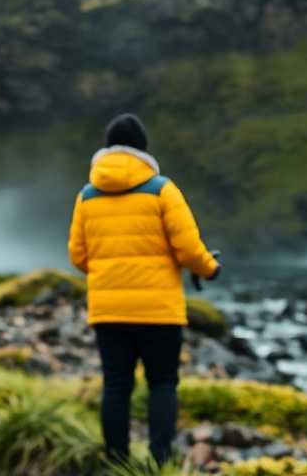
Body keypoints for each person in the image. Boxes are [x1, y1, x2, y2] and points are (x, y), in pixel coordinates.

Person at [68, 113, 220, 467]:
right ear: (143, 148)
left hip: (108, 312)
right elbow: (188, 249)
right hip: (159, 311)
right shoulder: (162, 189)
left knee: (116, 386)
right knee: (163, 384)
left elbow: (78, 256)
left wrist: (110, 269)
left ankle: (117, 463)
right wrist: (210, 269)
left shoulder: (87, 196)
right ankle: (158, 464)